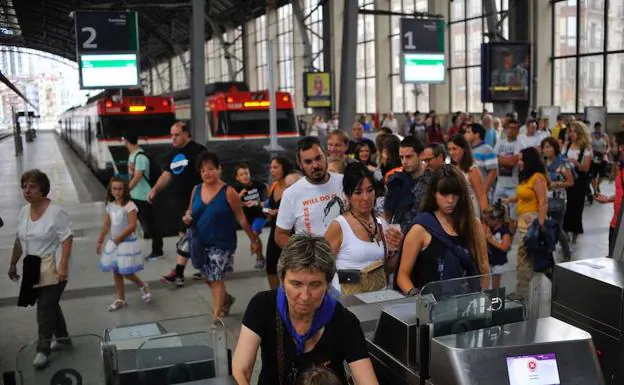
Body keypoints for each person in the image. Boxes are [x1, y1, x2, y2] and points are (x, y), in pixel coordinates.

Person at [232, 235, 379, 385]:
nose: (304, 296)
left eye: (315, 285)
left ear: (327, 284)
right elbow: (241, 370)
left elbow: (366, 380)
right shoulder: (262, 306)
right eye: (296, 284)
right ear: (282, 280)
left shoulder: (344, 320)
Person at [185, 152, 262, 321]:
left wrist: (253, 240)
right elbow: (190, 210)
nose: (207, 173)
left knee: (216, 278)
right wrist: (187, 216)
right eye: (203, 170)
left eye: (211, 169)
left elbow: (241, 218)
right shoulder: (196, 189)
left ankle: (216, 318)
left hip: (222, 243)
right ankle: (226, 299)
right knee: (208, 278)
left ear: (219, 169)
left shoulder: (229, 192)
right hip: (201, 242)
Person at [9, 170, 73, 368]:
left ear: (42, 189)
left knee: (44, 307)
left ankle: (42, 349)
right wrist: (13, 263)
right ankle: (62, 338)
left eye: (32, 186)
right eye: (25, 186)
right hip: (32, 267)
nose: (27, 190)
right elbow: (19, 240)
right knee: (50, 305)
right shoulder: (23, 212)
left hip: (53, 267)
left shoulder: (56, 212)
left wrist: (63, 267)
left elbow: (67, 238)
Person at [395, 165, 489, 295]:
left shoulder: (473, 224)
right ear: (434, 193)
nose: (450, 200)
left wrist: (482, 300)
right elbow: (402, 275)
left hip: (468, 303)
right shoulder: (420, 229)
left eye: (455, 194)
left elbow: (483, 268)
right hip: (432, 306)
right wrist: (417, 298)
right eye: (444, 194)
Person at [148, 120, 206, 287]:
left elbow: (210, 173)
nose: (172, 138)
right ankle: (204, 268)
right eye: (171, 135)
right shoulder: (173, 153)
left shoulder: (198, 151)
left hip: (197, 203)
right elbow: (167, 175)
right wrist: (155, 190)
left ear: (186, 135)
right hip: (181, 203)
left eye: (176, 135)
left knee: (189, 236)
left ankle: (178, 272)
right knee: (194, 237)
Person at [325, 163, 390, 295]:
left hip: (378, 297)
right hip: (347, 299)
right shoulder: (339, 226)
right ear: (348, 196)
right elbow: (322, 268)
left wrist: (396, 248)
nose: (365, 198)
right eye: (358, 192)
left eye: (370, 190)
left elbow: (387, 269)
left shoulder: (381, 223)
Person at [274, 136, 345, 249]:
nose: (315, 165)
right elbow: (280, 235)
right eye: (308, 162)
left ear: (326, 155)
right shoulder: (291, 194)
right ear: (300, 164)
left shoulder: (344, 182)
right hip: (314, 265)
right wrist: (305, 255)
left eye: (318, 158)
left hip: (348, 261)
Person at [97, 177, 151, 311]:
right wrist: (100, 239)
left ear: (125, 190)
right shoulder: (110, 205)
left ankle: (142, 284)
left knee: (125, 271)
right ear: (110, 190)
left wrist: (119, 238)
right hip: (114, 242)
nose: (117, 192)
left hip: (125, 243)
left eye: (120, 189)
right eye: (114, 189)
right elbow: (107, 224)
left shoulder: (130, 205)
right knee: (116, 271)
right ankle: (120, 299)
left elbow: (132, 226)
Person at [504, 147, 548, 301]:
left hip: (532, 221)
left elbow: (542, 201)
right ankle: (523, 290)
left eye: (522, 159)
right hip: (523, 221)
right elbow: (524, 195)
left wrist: (540, 224)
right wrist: (510, 200)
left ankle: (522, 293)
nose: (519, 162)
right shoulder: (527, 177)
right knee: (525, 257)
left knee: (524, 258)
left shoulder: (537, 178)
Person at [124, 132, 163, 261]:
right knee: (137, 225)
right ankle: (132, 250)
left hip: (143, 196)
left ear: (125, 141)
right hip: (135, 196)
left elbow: (138, 176)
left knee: (150, 225)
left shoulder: (140, 157)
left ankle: (158, 251)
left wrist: (127, 189)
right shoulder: (132, 155)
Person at [384, 136, 430, 231]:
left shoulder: (433, 181)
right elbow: (387, 214)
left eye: (409, 157)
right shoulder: (395, 180)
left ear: (420, 155)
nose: (404, 161)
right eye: (401, 157)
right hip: (398, 235)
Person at [541, 137, 573, 261]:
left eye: (549, 147)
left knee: (556, 228)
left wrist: (556, 184)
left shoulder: (562, 162)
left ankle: (565, 251)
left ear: (555, 148)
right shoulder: (542, 163)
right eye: (544, 147)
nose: (546, 150)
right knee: (545, 226)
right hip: (543, 199)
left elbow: (570, 182)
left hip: (557, 199)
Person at [265, 157, 294, 289]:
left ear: (284, 168)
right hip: (274, 230)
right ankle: (275, 297)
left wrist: (278, 212)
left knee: (291, 268)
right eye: (271, 167)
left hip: (289, 231)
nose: (272, 171)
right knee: (270, 268)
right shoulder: (274, 186)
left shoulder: (290, 187)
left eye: (276, 167)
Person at [562, 121, 593, 246]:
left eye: (575, 131)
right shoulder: (567, 144)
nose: (572, 134)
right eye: (571, 131)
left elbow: (585, 167)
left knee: (576, 206)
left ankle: (575, 232)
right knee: (567, 206)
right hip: (566, 177)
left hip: (579, 180)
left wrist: (574, 162)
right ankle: (565, 230)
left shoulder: (587, 147)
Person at [233, 163, 268, 269]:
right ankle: (260, 257)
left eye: (246, 173)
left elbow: (265, 201)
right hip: (246, 217)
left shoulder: (258, 185)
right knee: (254, 237)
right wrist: (239, 198)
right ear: (237, 178)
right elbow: (232, 205)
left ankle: (259, 259)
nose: (245, 176)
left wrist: (256, 202)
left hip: (259, 214)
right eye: (242, 174)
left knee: (254, 233)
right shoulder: (235, 189)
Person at [596, 131, 624, 255]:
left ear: (621, 147)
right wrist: (608, 199)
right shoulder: (621, 167)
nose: (611, 149)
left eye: (613, 145)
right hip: (616, 222)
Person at [448, 134, 488, 217]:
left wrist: (485, 219)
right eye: (449, 149)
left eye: (454, 149)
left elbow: (481, 195)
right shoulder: (450, 169)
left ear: (464, 149)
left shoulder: (472, 170)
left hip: (470, 212)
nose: (451, 152)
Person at [493, 119, 521, 230]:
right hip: (500, 183)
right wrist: (507, 159)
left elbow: (512, 163)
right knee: (495, 210)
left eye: (514, 128)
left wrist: (501, 158)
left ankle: (510, 238)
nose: (511, 131)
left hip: (514, 185)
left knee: (513, 216)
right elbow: (493, 158)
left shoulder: (520, 144)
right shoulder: (500, 142)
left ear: (518, 130)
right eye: (510, 128)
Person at [482, 202, 512, 288]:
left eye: (488, 219)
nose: (486, 222)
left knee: (496, 282)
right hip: (491, 259)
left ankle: (495, 298)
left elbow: (504, 247)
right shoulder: (490, 228)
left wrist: (490, 240)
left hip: (499, 261)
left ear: (496, 220)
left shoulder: (504, 231)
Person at [464, 123, 498, 198]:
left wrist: (484, 191)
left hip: (481, 194)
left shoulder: (487, 149)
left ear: (477, 135)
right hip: (470, 193)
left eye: (468, 132)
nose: (465, 134)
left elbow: (493, 171)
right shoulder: (468, 150)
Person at [590, 122, 610, 195]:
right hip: (593, 156)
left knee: (603, 174)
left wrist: (606, 152)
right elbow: (589, 145)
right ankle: (594, 190)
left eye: (599, 128)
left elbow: (609, 146)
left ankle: (598, 185)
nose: (598, 129)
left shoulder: (604, 135)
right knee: (593, 174)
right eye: (597, 128)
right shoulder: (591, 135)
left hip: (603, 156)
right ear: (595, 128)